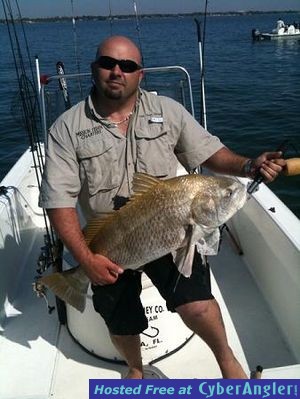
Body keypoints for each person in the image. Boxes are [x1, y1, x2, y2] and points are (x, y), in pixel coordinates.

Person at [39, 36, 286, 379]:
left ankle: (227, 360)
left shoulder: (167, 111)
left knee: (197, 303)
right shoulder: (66, 129)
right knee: (120, 316)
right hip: (110, 238)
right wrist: (87, 260)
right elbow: (59, 203)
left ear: (141, 74)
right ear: (95, 69)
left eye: (127, 66)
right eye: (108, 63)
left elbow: (210, 153)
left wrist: (248, 166)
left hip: (167, 223)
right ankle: (136, 369)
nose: (117, 72)